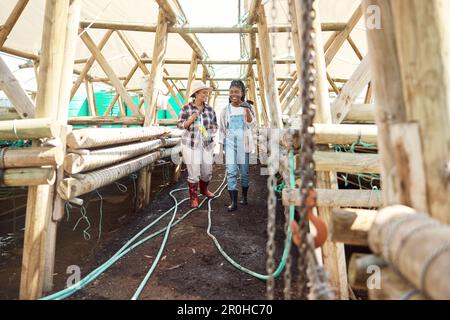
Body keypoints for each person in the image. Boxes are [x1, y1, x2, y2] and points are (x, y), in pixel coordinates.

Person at [177, 81, 218, 208]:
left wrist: (210, 130)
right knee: (194, 172)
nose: (206, 95)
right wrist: (191, 119)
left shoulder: (210, 110)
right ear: (196, 94)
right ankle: (193, 198)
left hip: (206, 144)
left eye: (206, 93)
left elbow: (215, 125)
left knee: (207, 171)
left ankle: (204, 190)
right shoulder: (186, 108)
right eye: (203, 93)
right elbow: (180, 125)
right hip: (190, 144)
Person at [219, 80, 256, 211]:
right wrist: (220, 148)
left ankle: (244, 197)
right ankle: (233, 202)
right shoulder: (225, 110)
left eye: (236, 92)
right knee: (231, 171)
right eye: (231, 92)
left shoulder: (247, 107)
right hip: (230, 144)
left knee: (244, 173)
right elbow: (222, 130)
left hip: (244, 144)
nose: (233, 94)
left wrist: (246, 110)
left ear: (242, 93)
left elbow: (252, 125)